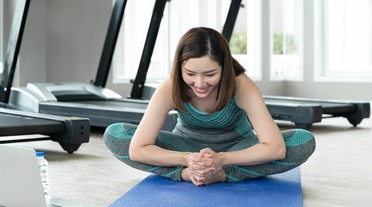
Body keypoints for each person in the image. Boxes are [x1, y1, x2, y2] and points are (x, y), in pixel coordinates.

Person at [103, 27, 315, 186]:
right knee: (115, 134)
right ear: (179, 68)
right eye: (190, 74)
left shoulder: (241, 85)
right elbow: (138, 149)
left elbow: (275, 147)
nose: (200, 83)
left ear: (225, 67)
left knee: (303, 141)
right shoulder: (170, 86)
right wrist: (187, 160)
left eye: (210, 74)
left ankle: (222, 174)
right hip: (185, 147)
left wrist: (222, 160)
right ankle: (186, 174)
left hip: (235, 149)